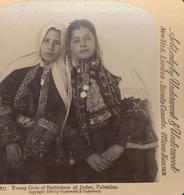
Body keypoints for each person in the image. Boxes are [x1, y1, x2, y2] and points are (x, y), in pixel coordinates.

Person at [63, 19, 158, 183]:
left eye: (87, 38)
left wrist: (120, 144)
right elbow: (67, 122)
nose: (82, 44)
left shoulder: (114, 67)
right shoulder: (68, 78)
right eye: (76, 40)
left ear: (96, 39)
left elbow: (135, 106)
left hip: (122, 140)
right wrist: (88, 155)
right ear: (70, 46)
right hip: (91, 148)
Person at [0, 21, 73, 184]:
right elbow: (1, 102)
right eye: (46, 41)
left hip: (41, 145)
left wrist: (28, 150)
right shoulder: (18, 68)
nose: (50, 47)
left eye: (57, 42)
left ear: (63, 47)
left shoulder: (64, 78)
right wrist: (10, 141)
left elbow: (55, 113)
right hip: (7, 138)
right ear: (39, 41)